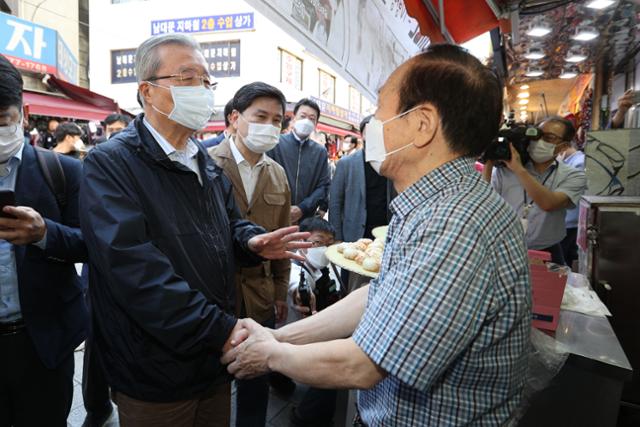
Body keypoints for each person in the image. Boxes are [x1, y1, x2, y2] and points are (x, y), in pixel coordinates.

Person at [222, 44, 532, 426]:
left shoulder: (452, 222)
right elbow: (382, 294)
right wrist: (281, 338)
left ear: (423, 124)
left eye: (382, 109)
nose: (372, 124)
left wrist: (268, 355)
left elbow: (364, 364)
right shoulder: (429, 203)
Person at [79, 33, 309, 427]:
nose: (201, 90)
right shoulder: (111, 163)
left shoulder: (199, 157)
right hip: (156, 369)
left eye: (206, 82)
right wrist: (222, 329)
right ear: (147, 92)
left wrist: (250, 241)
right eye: (187, 79)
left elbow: (227, 224)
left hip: (212, 360)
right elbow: (135, 272)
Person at [0, 54, 88, 427]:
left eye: (1, 121)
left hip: (43, 344)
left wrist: (45, 235)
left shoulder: (64, 172)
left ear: (21, 112)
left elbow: (94, 244)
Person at [208, 82, 291, 427]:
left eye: (277, 120)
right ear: (234, 117)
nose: (270, 126)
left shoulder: (278, 174)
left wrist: (280, 291)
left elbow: (282, 239)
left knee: (255, 384)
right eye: (261, 116)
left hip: (258, 297)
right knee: (212, 387)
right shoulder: (208, 164)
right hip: (213, 295)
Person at [484, 116, 587, 265]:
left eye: (549, 138)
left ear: (564, 146)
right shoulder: (504, 170)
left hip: (547, 252)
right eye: (537, 135)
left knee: (549, 289)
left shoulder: (573, 175)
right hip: (506, 251)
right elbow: (483, 201)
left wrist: (519, 169)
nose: (539, 141)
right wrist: (488, 162)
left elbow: (549, 203)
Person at [284, 217, 340, 427]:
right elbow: (294, 284)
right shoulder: (294, 269)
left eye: (329, 242)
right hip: (294, 336)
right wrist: (298, 291)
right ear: (302, 243)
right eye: (317, 242)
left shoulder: (329, 266)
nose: (324, 248)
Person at [268, 98, 330, 224]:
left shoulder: (320, 152)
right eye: (303, 116)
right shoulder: (275, 143)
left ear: (316, 124)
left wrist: (302, 208)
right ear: (294, 117)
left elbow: (323, 186)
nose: (307, 121)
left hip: (306, 218)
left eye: (312, 118)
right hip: (275, 215)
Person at [558, 141, 585, 268]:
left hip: (570, 223)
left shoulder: (580, 162)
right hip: (566, 222)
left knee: (562, 264)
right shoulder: (568, 161)